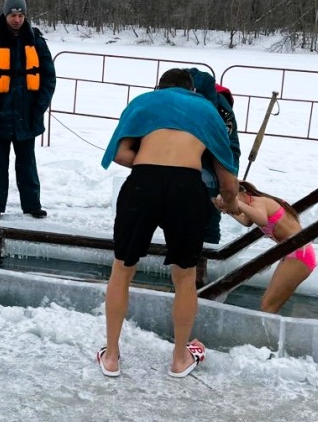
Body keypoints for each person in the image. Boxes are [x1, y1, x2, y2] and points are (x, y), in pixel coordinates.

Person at [98, 68, 239, 379]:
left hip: (142, 185)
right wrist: (229, 203)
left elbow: (120, 154)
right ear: (191, 90)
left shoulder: (144, 102)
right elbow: (228, 179)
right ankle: (179, 358)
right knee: (185, 277)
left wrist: (153, 162)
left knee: (122, 269)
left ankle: (111, 357)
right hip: (187, 189)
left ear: (159, 87)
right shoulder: (206, 108)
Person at [0, 0, 56, 221]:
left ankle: (32, 205)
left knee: (27, 164)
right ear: (5, 15)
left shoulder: (37, 42)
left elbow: (48, 79)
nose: (17, 20)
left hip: (28, 115)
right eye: (13, 15)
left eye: (21, 15)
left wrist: (39, 109)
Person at [216, 181, 313, 313]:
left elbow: (262, 220)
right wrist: (229, 210)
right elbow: (247, 222)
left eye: (228, 206)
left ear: (235, 196)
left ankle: (267, 333)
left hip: (300, 255)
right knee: (270, 305)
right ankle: (269, 332)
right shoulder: (253, 204)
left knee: (267, 305)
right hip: (294, 254)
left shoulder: (259, 202)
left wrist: (237, 203)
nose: (229, 210)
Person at [187, 68, 241, 244]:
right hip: (175, 162)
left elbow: (230, 147)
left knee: (209, 217)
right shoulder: (170, 99)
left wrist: (228, 185)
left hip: (209, 164)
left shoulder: (221, 109)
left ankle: (205, 258)